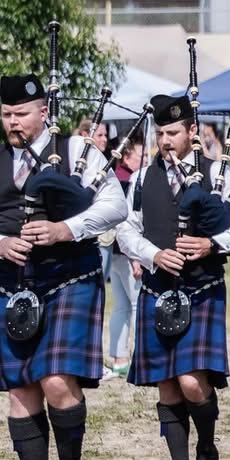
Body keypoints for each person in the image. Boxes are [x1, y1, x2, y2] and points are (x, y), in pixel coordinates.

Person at [0, 73, 128, 460]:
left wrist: (64, 229)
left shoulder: (78, 152)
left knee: (56, 380)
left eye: (21, 114)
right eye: (6, 114)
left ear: (43, 112)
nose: (13, 122)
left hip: (69, 276)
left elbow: (115, 206)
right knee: (20, 388)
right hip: (12, 283)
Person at [114, 94, 230, 460]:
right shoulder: (144, 178)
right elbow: (127, 229)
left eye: (174, 132)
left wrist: (213, 244)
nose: (165, 140)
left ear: (192, 132)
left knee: (192, 382)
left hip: (202, 289)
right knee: (166, 384)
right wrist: (151, 253)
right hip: (158, 288)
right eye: (160, 133)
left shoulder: (218, 175)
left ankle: (207, 453)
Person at [103, 135, 144, 376]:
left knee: (121, 306)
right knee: (137, 304)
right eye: (140, 155)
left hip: (115, 252)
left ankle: (119, 358)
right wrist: (135, 257)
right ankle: (140, 358)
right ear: (126, 155)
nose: (144, 159)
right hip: (127, 252)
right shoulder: (127, 181)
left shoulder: (114, 177)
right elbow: (126, 222)